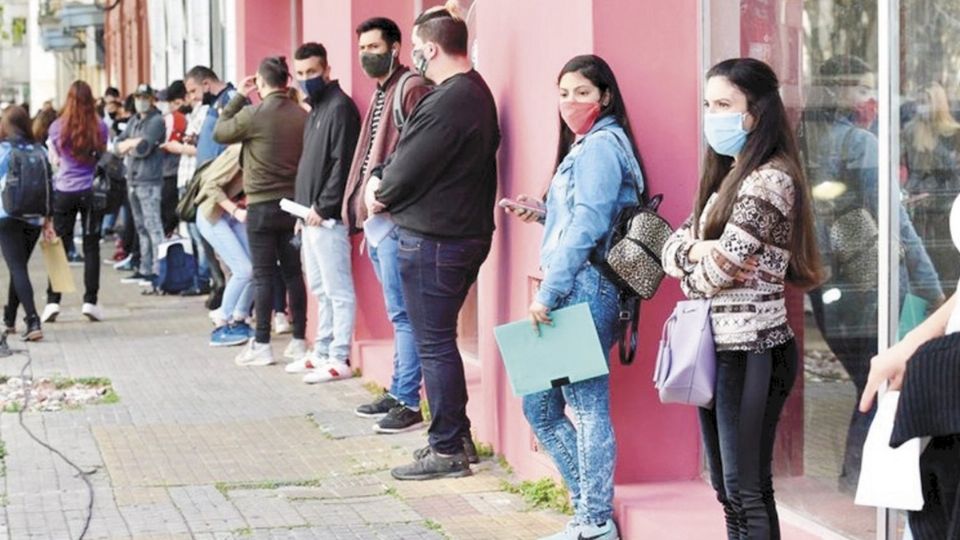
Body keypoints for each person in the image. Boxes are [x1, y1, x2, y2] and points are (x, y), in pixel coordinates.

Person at [662, 58, 824, 538]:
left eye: (724, 104)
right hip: (720, 350)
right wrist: (698, 250)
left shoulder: (769, 180)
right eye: (709, 104)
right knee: (730, 491)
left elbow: (706, 278)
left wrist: (698, 260)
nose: (714, 114)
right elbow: (669, 251)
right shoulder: (727, 181)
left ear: (755, 112)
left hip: (754, 351)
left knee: (746, 489)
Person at [504, 54, 646, 540]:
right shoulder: (587, 146)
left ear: (605, 96)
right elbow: (585, 220)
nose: (570, 102)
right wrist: (543, 213)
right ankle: (589, 508)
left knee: (585, 405)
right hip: (579, 279)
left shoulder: (602, 147)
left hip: (583, 286)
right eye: (563, 92)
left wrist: (549, 290)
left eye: (582, 92)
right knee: (540, 407)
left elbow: (588, 227)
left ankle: (594, 519)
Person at [367, 1, 499, 481]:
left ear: (429, 48)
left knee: (434, 344)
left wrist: (377, 188)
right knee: (438, 341)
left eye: (418, 50)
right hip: (453, 235)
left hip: (437, 240)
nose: (414, 59)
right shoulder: (469, 93)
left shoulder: (451, 100)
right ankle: (456, 436)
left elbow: (402, 171)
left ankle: (446, 447)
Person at [801, 55, 944, 493]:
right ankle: (859, 481)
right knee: (879, 383)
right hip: (869, 286)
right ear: (838, 92)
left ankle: (855, 479)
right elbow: (895, 223)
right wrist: (932, 289)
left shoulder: (804, 138)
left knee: (866, 380)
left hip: (827, 285)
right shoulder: (859, 144)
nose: (871, 98)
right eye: (861, 88)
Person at [343, 17, 433, 433]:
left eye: (375, 47)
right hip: (379, 225)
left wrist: (383, 202)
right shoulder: (383, 91)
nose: (367, 55)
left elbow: (414, 154)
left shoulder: (410, 87)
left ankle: (406, 398)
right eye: (363, 48)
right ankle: (399, 389)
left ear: (396, 47)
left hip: (395, 221)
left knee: (405, 315)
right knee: (399, 313)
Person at [213, 56, 308, 366]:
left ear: (261, 83)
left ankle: (263, 344)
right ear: (288, 81)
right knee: (294, 274)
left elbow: (221, 131)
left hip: (260, 206)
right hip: (293, 206)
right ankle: (298, 340)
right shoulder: (302, 115)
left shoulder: (253, 114)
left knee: (264, 275)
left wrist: (239, 95)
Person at [285, 41, 361, 383]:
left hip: (327, 218)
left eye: (312, 72)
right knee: (319, 286)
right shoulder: (316, 108)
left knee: (337, 290)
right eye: (300, 74)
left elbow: (342, 164)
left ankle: (338, 357)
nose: (306, 79)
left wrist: (323, 206)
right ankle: (322, 349)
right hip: (309, 217)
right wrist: (303, 215)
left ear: (326, 71)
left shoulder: (340, 108)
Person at [39, 81, 110, 324]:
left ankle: (52, 302)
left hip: (64, 191)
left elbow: (55, 160)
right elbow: (102, 155)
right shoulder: (99, 127)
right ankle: (90, 301)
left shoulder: (57, 127)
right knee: (91, 246)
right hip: (91, 191)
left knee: (59, 246)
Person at [185, 65, 242, 311]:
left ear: (206, 83)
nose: (193, 97)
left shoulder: (230, 100)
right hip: (211, 187)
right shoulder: (215, 104)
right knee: (220, 255)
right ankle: (231, 304)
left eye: (193, 90)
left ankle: (234, 311)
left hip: (224, 192)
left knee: (233, 260)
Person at [0, 105, 55, 341]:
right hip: (35, 217)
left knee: (18, 268)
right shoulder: (40, 150)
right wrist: (49, 219)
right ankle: (10, 318)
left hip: (7, 216)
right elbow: (50, 185)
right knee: (19, 266)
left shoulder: (4, 151)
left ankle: (32, 320)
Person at [192, 144, 254, 346]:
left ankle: (239, 318)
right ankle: (222, 320)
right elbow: (209, 186)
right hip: (213, 215)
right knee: (243, 269)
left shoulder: (259, 153)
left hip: (230, 215)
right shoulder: (239, 152)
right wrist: (235, 211)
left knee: (257, 269)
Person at [902, 82, 960, 296]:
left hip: (945, 208)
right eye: (918, 102)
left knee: (946, 263)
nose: (921, 107)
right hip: (918, 206)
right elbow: (911, 169)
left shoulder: (953, 135)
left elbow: (954, 175)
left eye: (925, 102)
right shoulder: (910, 131)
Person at [115, 84, 167, 287]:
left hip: (150, 181)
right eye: (138, 97)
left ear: (152, 99)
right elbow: (117, 146)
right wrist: (130, 144)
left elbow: (143, 149)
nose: (141, 101)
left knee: (154, 227)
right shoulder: (134, 120)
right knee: (140, 227)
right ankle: (145, 268)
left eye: (144, 97)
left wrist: (130, 145)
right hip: (133, 179)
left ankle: (159, 270)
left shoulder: (156, 121)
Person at [157, 81, 189, 237]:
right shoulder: (186, 116)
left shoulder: (175, 118)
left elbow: (165, 143)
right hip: (178, 171)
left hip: (171, 171)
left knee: (168, 216)